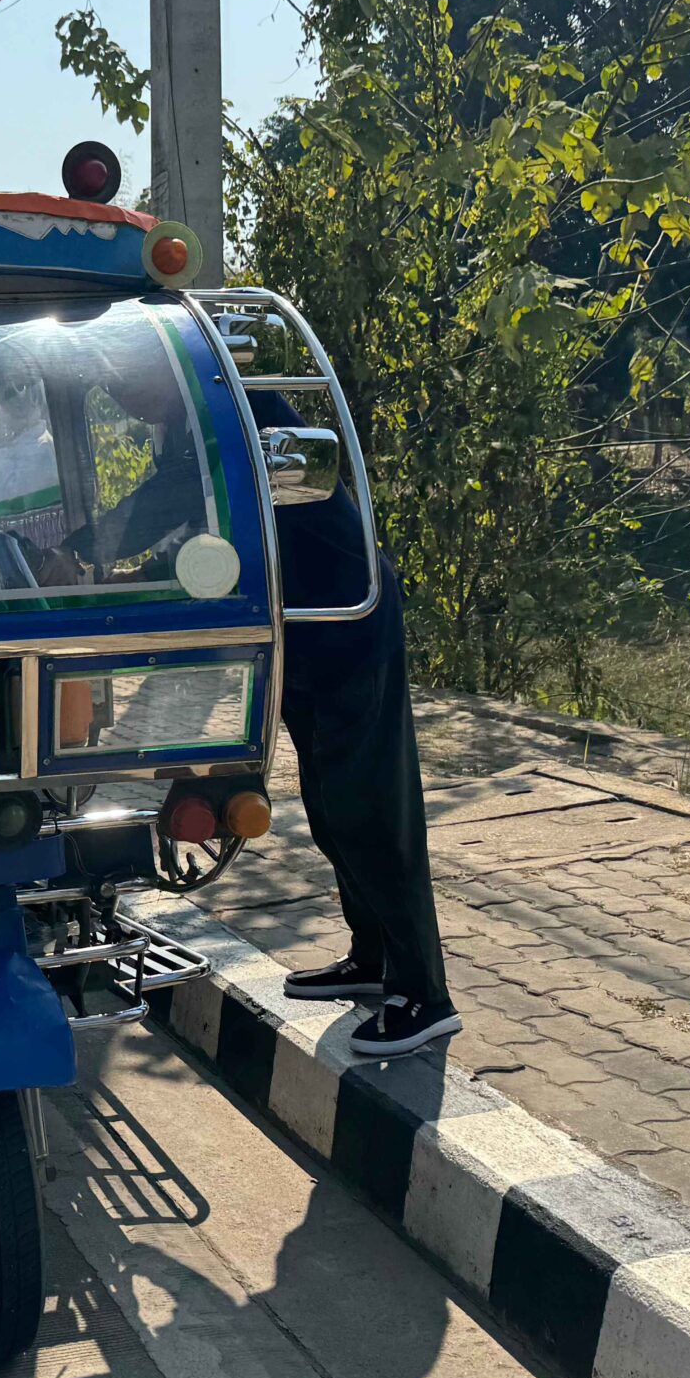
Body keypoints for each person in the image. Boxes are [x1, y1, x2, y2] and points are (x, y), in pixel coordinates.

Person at [252, 391, 459, 1058]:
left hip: (347, 622)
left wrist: (95, 544)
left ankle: (424, 996)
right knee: (328, 808)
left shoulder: (236, 398)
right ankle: (372, 958)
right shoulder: (192, 405)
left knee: (367, 811)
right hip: (303, 632)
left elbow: (165, 503)